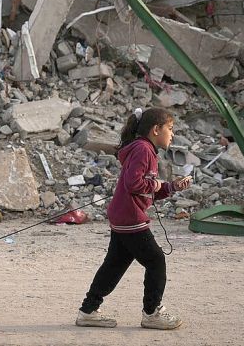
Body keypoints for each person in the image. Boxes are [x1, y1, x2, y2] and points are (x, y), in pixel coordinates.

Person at [75, 107, 192, 330]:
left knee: (114, 265)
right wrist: (156, 184)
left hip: (123, 215)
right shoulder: (143, 149)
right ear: (156, 130)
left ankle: (88, 310)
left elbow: (144, 189)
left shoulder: (143, 149)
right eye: (170, 129)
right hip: (130, 217)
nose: (172, 134)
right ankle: (152, 313)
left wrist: (171, 187)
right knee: (156, 261)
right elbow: (134, 184)